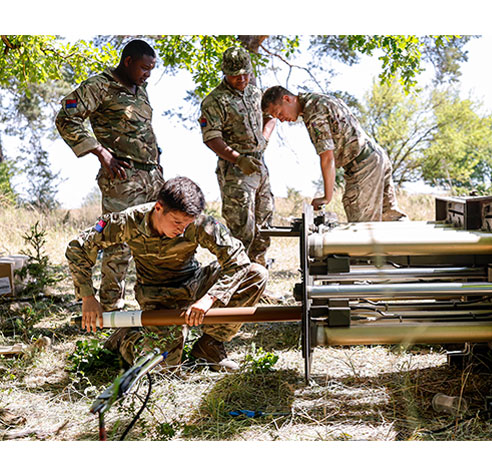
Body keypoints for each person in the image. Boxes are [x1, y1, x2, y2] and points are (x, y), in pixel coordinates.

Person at [66, 176, 268, 371]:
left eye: (187, 224)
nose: (181, 231)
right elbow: (78, 248)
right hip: (158, 297)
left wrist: (210, 298)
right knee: (163, 367)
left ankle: (210, 346)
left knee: (255, 274)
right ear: (158, 208)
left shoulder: (200, 223)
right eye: (177, 223)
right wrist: (87, 297)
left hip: (194, 282)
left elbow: (239, 260)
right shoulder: (128, 221)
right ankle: (127, 338)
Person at [55, 39, 164, 312]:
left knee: (156, 239)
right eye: (143, 68)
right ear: (127, 61)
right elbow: (66, 118)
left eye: (151, 69)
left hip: (151, 176)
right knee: (118, 241)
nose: (147, 74)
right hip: (122, 177)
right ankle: (111, 308)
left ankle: (155, 305)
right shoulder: (99, 85)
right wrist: (100, 152)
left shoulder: (141, 89)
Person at [261, 86, 407, 223]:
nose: (281, 119)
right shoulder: (318, 98)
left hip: (364, 166)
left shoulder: (313, 111)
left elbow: (327, 157)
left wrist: (326, 197)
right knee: (390, 219)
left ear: (287, 99)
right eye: (277, 118)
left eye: (279, 113)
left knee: (362, 229)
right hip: (375, 156)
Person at [199, 46, 276, 267]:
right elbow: (211, 138)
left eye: (245, 73)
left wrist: (263, 140)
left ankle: (258, 281)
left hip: (260, 166)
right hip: (235, 171)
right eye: (235, 75)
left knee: (264, 227)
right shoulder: (214, 101)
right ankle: (237, 284)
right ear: (225, 73)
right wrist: (238, 159)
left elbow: (270, 115)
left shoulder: (255, 93)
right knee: (242, 230)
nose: (241, 79)